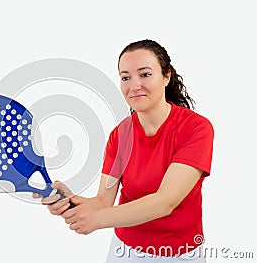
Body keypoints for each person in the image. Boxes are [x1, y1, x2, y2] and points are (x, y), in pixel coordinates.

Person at [33, 39, 214, 262]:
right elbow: (103, 201)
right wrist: (73, 200)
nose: (134, 85)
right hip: (125, 251)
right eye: (125, 77)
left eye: (145, 74)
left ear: (166, 76)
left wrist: (97, 220)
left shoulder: (196, 128)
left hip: (180, 253)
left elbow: (165, 201)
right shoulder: (120, 136)